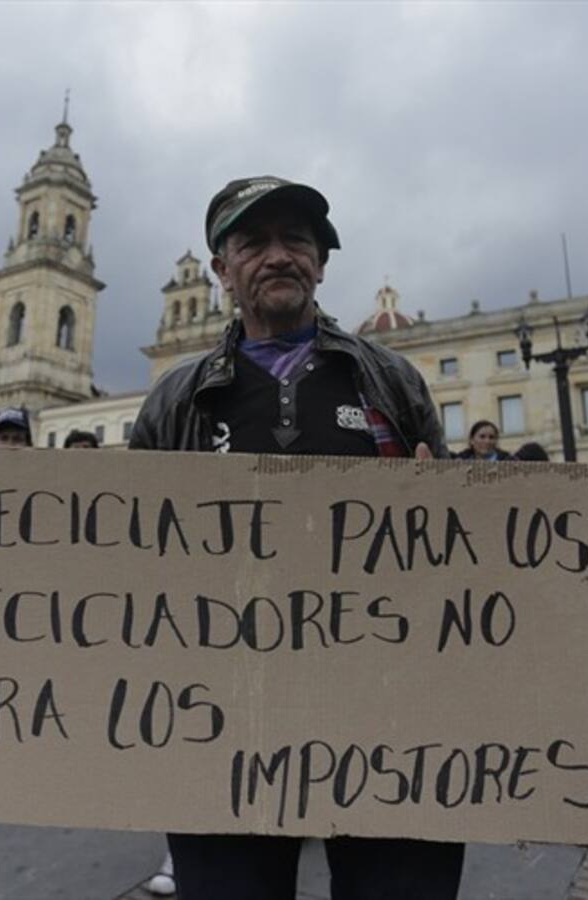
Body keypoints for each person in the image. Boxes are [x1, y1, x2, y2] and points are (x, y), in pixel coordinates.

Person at [129, 175, 458, 900]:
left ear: (320, 262)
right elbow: (134, 559)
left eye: (296, 241)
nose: (278, 256)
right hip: (219, 719)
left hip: (389, 714)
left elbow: (457, 548)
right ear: (222, 268)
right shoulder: (173, 402)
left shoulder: (392, 381)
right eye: (253, 242)